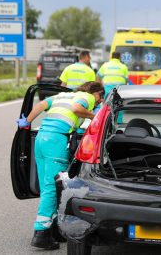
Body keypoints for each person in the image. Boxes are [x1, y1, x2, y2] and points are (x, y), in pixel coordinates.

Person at [17, 82, 104, 250]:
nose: (99, 102)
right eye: (100, 96)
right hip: (56, 141)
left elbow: (41, 105)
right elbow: (77, 109)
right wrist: (95, 116)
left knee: (45, 185)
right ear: (95, 92)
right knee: (52, 187)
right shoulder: (86, 97)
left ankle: (55, 229)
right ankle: (41, 233)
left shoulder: (61, 96)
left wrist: (27, 122)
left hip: (41, 139)